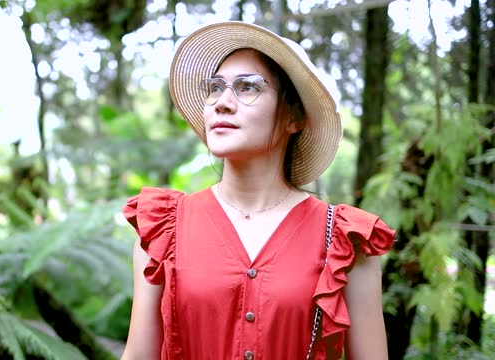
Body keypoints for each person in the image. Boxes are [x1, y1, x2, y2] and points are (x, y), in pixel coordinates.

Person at [120, 21, 395, 360]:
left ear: (294, 117)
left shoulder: (345, 242)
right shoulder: (163, 229)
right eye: (215, 87)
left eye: (248, 87)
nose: (222, 102)